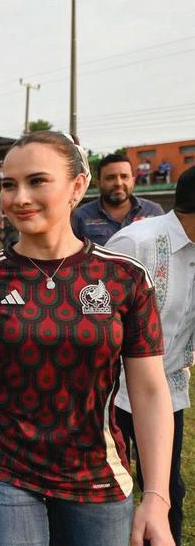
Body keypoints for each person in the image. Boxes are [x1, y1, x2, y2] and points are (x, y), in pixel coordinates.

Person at [0, 131, 174, 546]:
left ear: (77, 186)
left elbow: (150, 390)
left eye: (37, 181)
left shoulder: (125, 278)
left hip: (96, 471)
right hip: (1, 468)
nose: (19, 198)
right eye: (8, 185)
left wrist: (157, 495)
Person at [105, 166, 195, 546]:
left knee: (166, 491)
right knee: (107, 490)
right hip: (111, 392)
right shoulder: (135, 243)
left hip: (166, 389)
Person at [72, 153, 164, 246]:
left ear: (133, 181)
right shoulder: (80, 216)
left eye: (124, 176)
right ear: (98, 183)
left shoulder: (153, 212)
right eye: (110, 178)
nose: (119, 183)